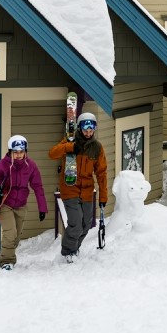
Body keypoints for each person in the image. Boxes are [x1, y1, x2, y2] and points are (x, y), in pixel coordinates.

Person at [49, 112, 108, 262]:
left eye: (91, 129)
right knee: (75, 223)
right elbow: (52, 154)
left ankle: (75, 248)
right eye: (85, 129)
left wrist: (103, 196)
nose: (88, 133)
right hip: (70, 188)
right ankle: (67, 253)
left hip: (87, 191)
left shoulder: (97, 148)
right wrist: (69, 147)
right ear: (79, 128)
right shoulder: (69, 141)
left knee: (86, 224)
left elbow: (101, 174)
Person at [0, 134, 48, 271]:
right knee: (10, 232)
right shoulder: (3, 165)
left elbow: (38, 186)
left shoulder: (31, 166)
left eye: (21, 152)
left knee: (16, 236)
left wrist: (42, 208)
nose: (19, 155)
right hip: (5, 204)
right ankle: (6, 261)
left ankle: (8, 255)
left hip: (21, 205)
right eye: (15, 152)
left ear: (25, 151)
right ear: (10, 152)